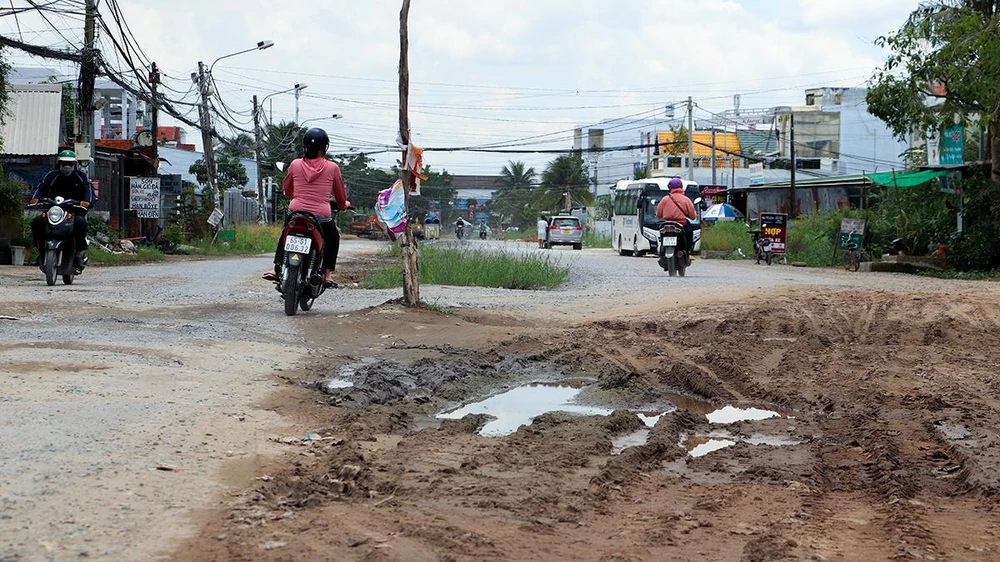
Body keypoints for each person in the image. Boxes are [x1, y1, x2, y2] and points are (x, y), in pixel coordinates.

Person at [266, 128, 349, 288]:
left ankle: (276, 268)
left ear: (304, 146)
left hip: (296, 213)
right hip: (321, 217)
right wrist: (343, 205)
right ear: (324, 147)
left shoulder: (295, 164)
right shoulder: (332, 168)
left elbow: (288, 191)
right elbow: (340, 198)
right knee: (333, 238)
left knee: (286, 233)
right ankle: (326, 274)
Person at [30, 150, 94, 270]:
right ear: (59, 163)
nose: (67, 166)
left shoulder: (80, 176)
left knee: (80, 223)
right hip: (54, 210)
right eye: (64, 163)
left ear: (74, 164)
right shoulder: (51, 175)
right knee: (37, 222)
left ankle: (78, 255)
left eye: (70, 164)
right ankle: (41, 251)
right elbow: (41, 187)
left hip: (74, 210)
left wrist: (87, 201)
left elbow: (88, 190)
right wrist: (35, 199)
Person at [655, 177, 697, 260]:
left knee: (661, 234)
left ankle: (662, 250)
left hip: (666, 224)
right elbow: (692, 216)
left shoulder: (665, 199)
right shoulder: (686, 200)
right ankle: (688, 253)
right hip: (682, 224)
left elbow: (658, 214)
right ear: (681, 187)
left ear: (670, 188)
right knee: (689, 233)